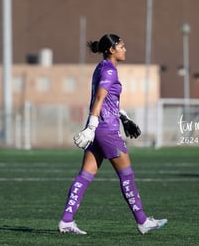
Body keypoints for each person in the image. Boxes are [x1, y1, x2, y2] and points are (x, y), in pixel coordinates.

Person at [58, 34, 167, 235]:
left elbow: (108, 102)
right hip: (106, 130)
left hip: (100, 128)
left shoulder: (101, 67)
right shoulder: (109, 70)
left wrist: (124, 118)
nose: (125, 49)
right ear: (111, 49)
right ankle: (143, 222)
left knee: (85, 175)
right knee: (127, 175)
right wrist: (91, 127)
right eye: (122, 46)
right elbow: (99, 98)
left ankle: (66, 221)